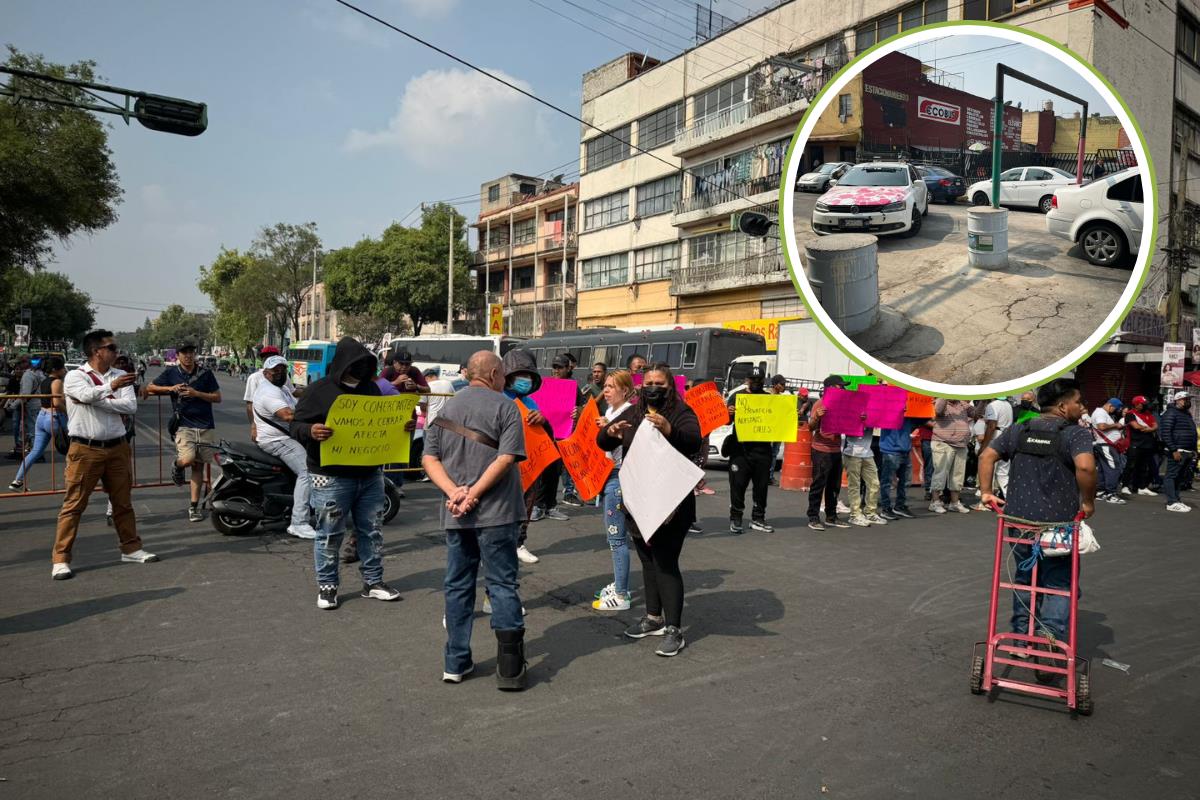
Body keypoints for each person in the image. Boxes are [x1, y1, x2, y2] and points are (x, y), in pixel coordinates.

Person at [423, 350, 528, 689]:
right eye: (504, 376)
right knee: (501, 585)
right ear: (495, 373)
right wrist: (475, 494)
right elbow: (506, 458)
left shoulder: (446, 408)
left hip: (456, 516)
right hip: (497, 513)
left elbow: (429, 459)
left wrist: (455, 492)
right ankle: (510, 669)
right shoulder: (506, 406)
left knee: (457, 586)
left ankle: (454, 662)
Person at [978, 378, 1096, 667]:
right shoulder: (1075, 435)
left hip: (1019, 521)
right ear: (1062, 406)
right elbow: (1085, 466)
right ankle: (1050, 640)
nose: (1081, 408)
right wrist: (1089, 502)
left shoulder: (1021, 429)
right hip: (1058, 526)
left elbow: (987, 455)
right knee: (1058, 583)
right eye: (1078, 402)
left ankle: (1020, 641)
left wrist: (986, 492)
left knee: (1024, 578)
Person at [290, 337, 403, 610]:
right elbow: (295, 425)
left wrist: (402, 427)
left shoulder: (371, 391)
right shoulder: (318, 391)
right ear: (342, 365)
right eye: (355, 366)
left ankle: (373, 582)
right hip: (330, 476)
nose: (360, 372)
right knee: (329, 533)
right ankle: (327, 586)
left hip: (370, 474)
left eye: (365, 366)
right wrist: (311, 431)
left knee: (372, 530)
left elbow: (382, 425)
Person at [598, 363, 701, 657]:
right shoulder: (633, 413)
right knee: (647, 560)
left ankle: (674, 630)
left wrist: (670, 429)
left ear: (670, 387)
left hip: (671, 503)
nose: (653, 387)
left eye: (659, 382)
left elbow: (693, 441)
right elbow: (602, 441)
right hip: (638, 499)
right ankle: (653, 618)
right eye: (649, 382)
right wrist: (610, 431)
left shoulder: (681, 413)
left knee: (665, 562)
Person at [51, 330, 158, 579]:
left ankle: (131, 548)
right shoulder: (76, 377)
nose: (115, 351)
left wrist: (99, 400)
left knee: (122, 503)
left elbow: (129, 406)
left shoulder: (121, 375)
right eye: (111, 347)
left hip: (117, 446)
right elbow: (83, 395)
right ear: (96, 351)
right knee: (74, 505)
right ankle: (60, 559)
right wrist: (110, 390)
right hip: (85, 449)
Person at [147, 341, 222, 523]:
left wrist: (197, 394)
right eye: (184, 352)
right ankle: (178, 465)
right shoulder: (172, 373)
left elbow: (217, 397)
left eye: (191, 352)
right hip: (184, 425)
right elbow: (150, 387)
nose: (188, 356)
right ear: (178, 355)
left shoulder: (205, 373)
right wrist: (170, 389)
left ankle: (194, 506)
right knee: (188, 459)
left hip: (205, 425)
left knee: (198, 466)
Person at [253, 355, 317, 539]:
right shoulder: (269, 392)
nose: (280, 373)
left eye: (282, 370)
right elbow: (288, 415)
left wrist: (318, 392)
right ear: (266, 373)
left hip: (285, 436)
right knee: (307, 471)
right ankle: (299, 522)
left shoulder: (280, 387)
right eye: (275, 371)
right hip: (277, 440)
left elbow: (297, 393)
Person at [592, 369, 635, 611]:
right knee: (613, 536)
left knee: (617, 537)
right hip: (606, 474)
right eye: (605, 386)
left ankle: (621, 595)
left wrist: (608, 428)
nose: (606, 391)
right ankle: (620, 582)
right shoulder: (610, 411)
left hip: (619, 476)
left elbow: (628, 441)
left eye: (611, 386)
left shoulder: (628, 413)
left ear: (625, 390)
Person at [501, 349, 546, 565]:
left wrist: (543, 420)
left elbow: (543, 434)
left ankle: (519, 542)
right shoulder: (497, 398)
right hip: (502, 463)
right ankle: (495, 546)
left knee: (526, 505)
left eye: (529, 376)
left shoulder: (531, 403)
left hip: (529, 462)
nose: (525, 380)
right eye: (521, 375)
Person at [723, 368, 774, 534]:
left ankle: (758, 518)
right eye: (753, 379)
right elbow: (725, 422)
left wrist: (787, 415)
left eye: (759, 379)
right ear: (747, 379)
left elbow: (776, 421)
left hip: (763, 451)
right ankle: (736, 518)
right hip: (740, 451)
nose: (756, 382)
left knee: (761, 487)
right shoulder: (737, 397)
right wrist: (728, 414)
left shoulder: (769, 399)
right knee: (737, 486)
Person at [8, 355, 67, 491]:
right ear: (55, 369)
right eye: (62, 367)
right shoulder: (57, 382)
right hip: (54, 417)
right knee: (73, 449)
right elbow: (57, 403)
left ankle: (17, 480)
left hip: (42, 417)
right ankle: (73, 480)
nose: (64, 370)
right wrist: (69, 413)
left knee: (35, 451)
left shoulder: (44, 381)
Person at [531, 356, 574, 519]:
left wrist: (577, 412)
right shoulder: (543, 384)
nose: (556, 370)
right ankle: (537, 505)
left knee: (554, 472)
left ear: (567, 369)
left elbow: (577, 407)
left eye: (560, 367)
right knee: (541, 471)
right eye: (554, 367)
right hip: (543, 435)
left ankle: (550, 506)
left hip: (561, 436)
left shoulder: (572, 388)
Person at [806, 376, 851, 531]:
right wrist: (817, 416)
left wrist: (860, 419)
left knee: (834, 485)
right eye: (840, 386)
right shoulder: (820, 404)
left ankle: (831, 516)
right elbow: (810, 427)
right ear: (831, 388)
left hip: (835, 450)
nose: (843, 389)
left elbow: (851, 424)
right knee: (818, 484)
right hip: (821, 450)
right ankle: (813, 517)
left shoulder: (841, 405)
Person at [929, 398, 973, 514]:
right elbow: (938, 411)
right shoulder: (941, 400)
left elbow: (976, 414)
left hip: (961, 444)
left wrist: (984, 401)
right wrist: (945, 394)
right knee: (940, 472)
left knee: (958, 475)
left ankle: (954, 503)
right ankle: (935, 502)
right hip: (943, 443)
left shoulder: (962, 403)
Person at [243, 346, 292, 442]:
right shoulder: (254, 378)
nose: (269, 359)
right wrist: (253, 426)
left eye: (272, 356)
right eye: (266, 357)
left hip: (286, 428)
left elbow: (293, 392)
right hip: (268, 431)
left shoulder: (284, 377)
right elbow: (250, 404)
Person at [1159, 390, 1197, 513]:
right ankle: (1171, 502)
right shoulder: (1170, 413)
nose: (1188, 402)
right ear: (1178, 400)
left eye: (1189, 400)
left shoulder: (1186, 414)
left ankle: (1176, 499)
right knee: (1171, 475)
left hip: (1187, 450)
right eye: (1186, 399)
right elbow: (1166, 433)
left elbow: (1192, 432)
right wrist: (1173, 449)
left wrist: (1194, 450)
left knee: (1179, 477)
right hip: (1177, 450)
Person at [1086, 397, 1127, 504]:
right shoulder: (1101, 413)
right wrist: (1116, 425)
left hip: (1104, 445)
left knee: (1103, 468)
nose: (1115, 411)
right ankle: (1111, 494)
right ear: (1110, 406)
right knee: (1113, 468)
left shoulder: (1101, 412)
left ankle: (1101, 491)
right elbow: (1102, 426)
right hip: (1106, 445)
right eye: (1115, 409)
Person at [878, 416, 919, 520]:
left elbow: (920, 420)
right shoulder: (888, 408)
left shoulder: (910, 410)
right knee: (887, 481)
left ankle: (900, 506)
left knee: (906, 481)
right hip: (890, 449)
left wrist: (928, 408)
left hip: (905, 448)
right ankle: (886, 508)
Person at [1122, 395, 1159, 496]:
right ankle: (1125, 486)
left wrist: (1149, 429)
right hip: (1135, 443)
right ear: (1136, 404)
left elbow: (1155, 425)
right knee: (1131, 465)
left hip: (1147, 444)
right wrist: (1149, 428)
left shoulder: (1148, 413)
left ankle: (1141, 487)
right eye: (1143, 404)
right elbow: (1136, 426)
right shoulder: (1130, 414)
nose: (1145, 406)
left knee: (1143, 467)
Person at [980, 395, 1014, 496]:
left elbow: (991, 426)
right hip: (1007, 435)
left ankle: (986, 500)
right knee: (1003, 472)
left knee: (989, 469)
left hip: (996, 436)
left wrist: (984, 446)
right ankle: (1009, 498)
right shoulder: (1008, 405)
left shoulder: (993, 405)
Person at [767, 374, 792, 485]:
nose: (784, 386)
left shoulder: (783, 398)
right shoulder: (767, 395)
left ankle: (770, 476)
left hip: (778, 430)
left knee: (773, 454)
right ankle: (764, 476)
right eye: (782, 384)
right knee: (767, 453)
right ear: (775, 384)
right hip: (767, 430)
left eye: (784, 384)